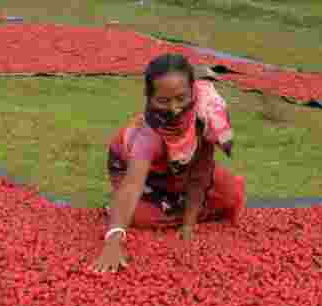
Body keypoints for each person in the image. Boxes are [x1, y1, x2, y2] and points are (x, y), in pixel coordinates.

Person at [90, 53, 246, 273]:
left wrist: (189, 225)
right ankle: (119, 208)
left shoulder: (204, 115)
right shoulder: (147, 134)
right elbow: (133, 184)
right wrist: (113, 242)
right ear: (149, 97)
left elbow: (201, 171)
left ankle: (165, 202)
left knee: (232, 195)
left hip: (181, 168)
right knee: (136, 214)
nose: (174, 108)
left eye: (181, 98)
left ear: (192, 91)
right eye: (163, 101)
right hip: (135, 170)